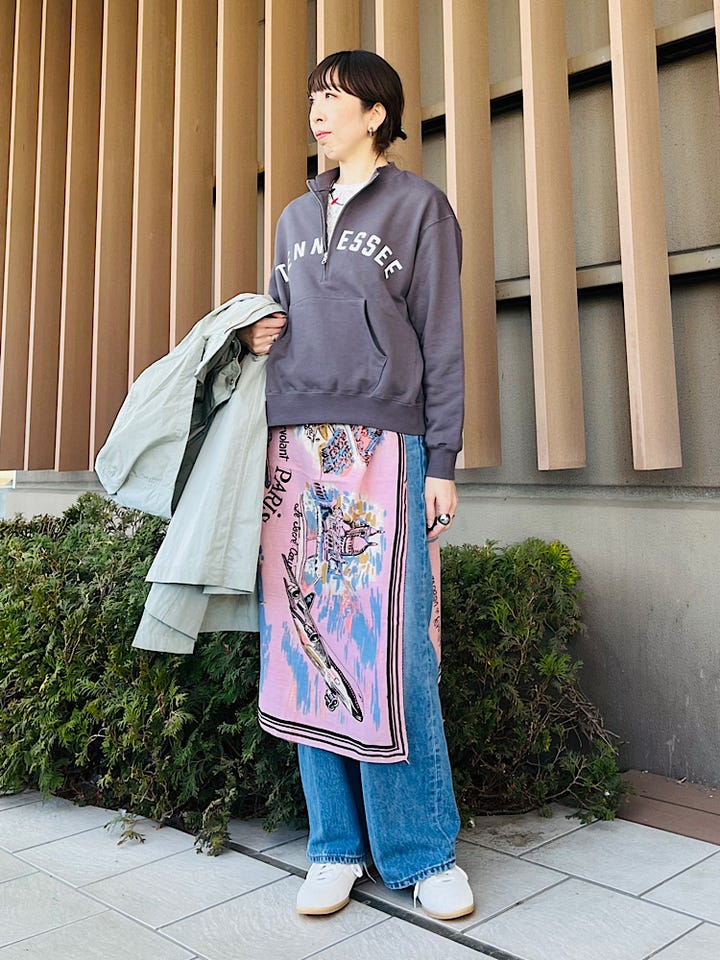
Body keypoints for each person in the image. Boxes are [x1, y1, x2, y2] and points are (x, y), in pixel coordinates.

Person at [239, 49, 473, 921]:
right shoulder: (293, 217)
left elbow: (442, 338)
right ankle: (334, 846)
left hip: (385, 447)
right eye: (313, 96)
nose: (318, 110)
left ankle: (422, 853)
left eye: (334, 96)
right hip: (295, 446)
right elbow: (283, 317)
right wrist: (257, 335)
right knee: (306, 649)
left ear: (377, 113)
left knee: (396, 649)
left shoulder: (420, 208)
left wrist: (442, 462)